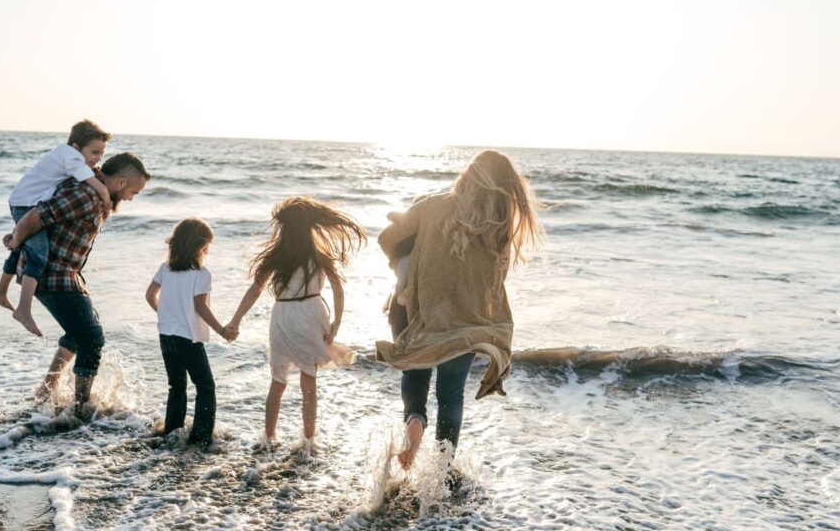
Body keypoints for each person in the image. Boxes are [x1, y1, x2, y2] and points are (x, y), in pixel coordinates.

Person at [375, 150, 544, 470]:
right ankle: (441, 470)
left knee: (415, 373)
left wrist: (405, 262)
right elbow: (496, 280)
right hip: (466, 326)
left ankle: (414, 424)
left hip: (419, 315)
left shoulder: (429, 206)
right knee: (451, 396)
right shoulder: (497, 230)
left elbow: (387, 238)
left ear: (466, 176)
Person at [3, 151, 150, 413]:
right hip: (53, 275)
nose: (130, 198)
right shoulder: (85, 195)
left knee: (79, 331)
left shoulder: (94, 194)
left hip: (66, 274)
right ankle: (82, 406)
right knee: (92, 338)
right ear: (120, 183)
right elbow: (36, 215)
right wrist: (15, 240)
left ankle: (46, 388)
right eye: (133, 192)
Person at [226, 197, 366, 449]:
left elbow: (255, 290)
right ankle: (309, 440)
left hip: (283, 316)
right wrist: (337, 322)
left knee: (278, 381)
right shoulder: (320, 255)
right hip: (311, 313)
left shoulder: (276, 256)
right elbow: (337, 289)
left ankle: (268, 438)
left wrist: (235, 320)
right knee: (308, 380)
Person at [0, 120, 116, 337]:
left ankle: (1, 291)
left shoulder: (68, 156)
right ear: (76, 147)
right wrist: (106, 198)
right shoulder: (71, 157)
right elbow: (93, 183)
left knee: (21, 247)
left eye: (101, 154)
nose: (97, 159)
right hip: (26, 205)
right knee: (38, 255)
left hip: (25, 201)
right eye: (94, 152)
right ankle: (23, 309)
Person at [144, 218, 234, 446]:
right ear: (199, 246)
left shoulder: (165, 268)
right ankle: (201, 437)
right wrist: (222, 330)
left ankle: (172, 431)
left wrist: (165, 314)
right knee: (205, 386)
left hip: (165, 334)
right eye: (207, 246)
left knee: (177, 385)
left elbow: (149, 295)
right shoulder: (201, 273)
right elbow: (200, 306)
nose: (207, 251)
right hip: (187, 338)